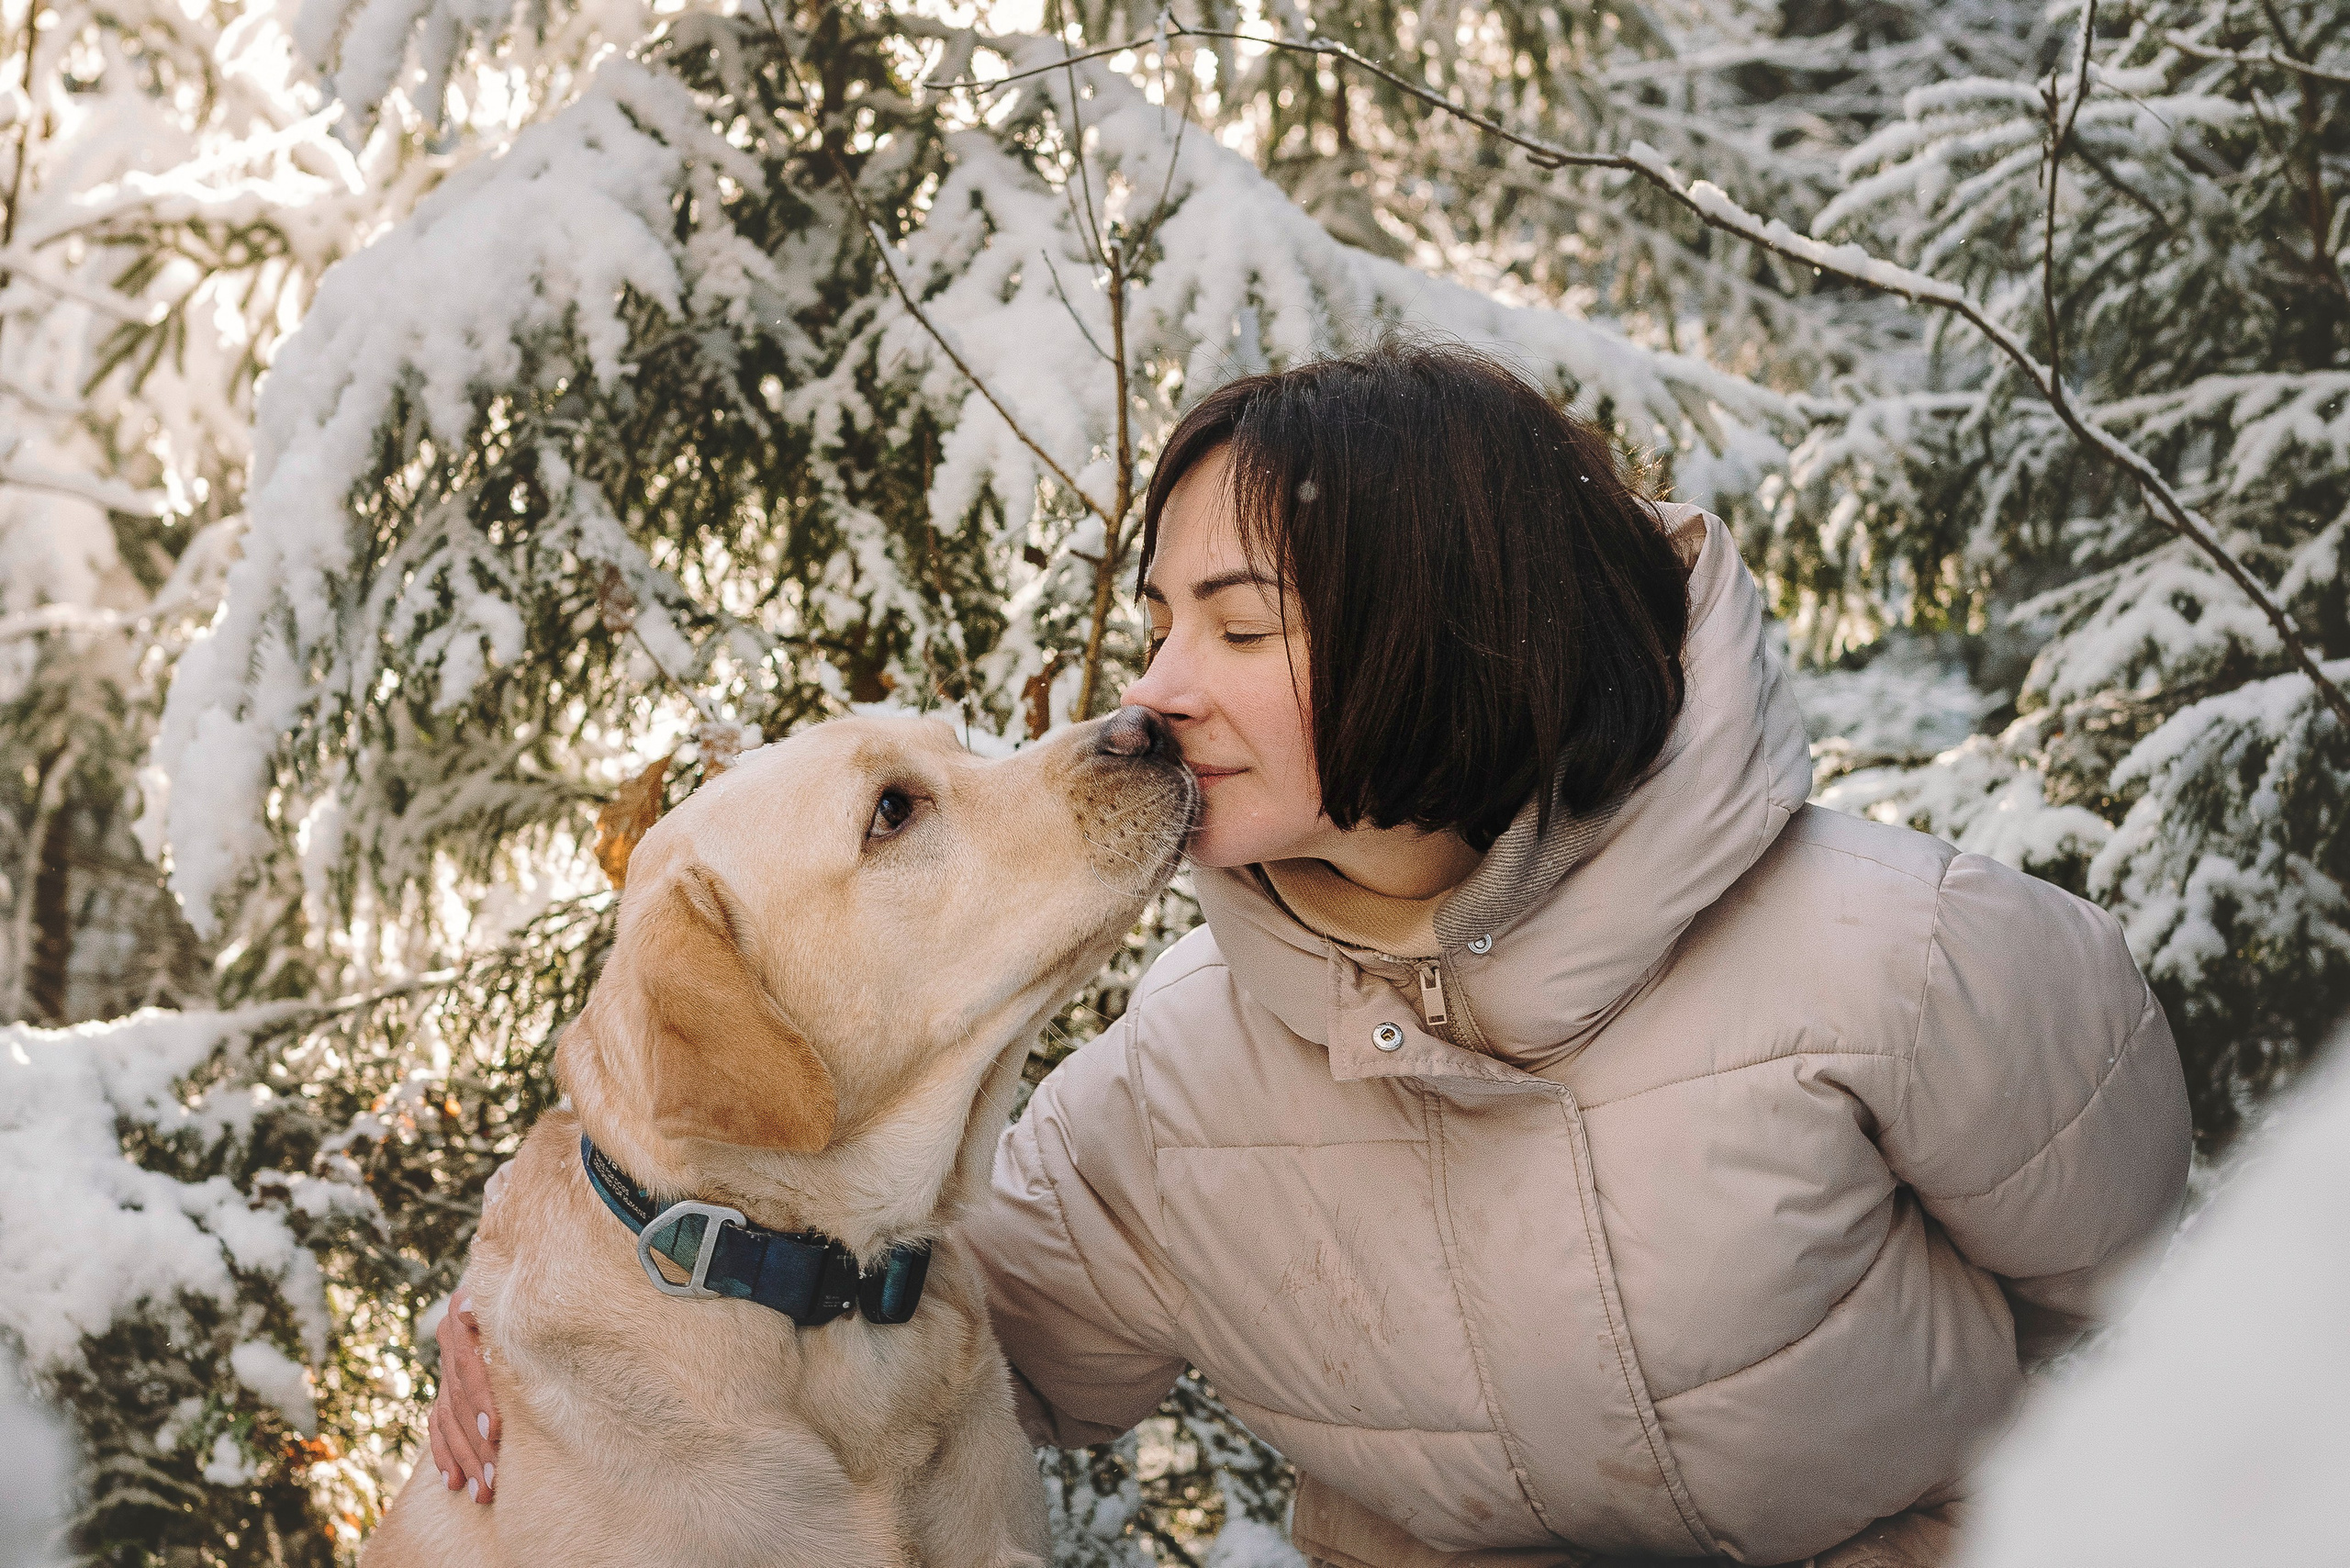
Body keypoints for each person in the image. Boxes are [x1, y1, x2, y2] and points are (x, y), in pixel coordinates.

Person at [431, 342, 2191, 1566]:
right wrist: (539, 1322)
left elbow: (2191, 1324)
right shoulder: (1176, 1087)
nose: (1156, 690)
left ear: (1445, 627)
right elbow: (879, 1295)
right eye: (1157, 624)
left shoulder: (1919, 957)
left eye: (1238, 625)